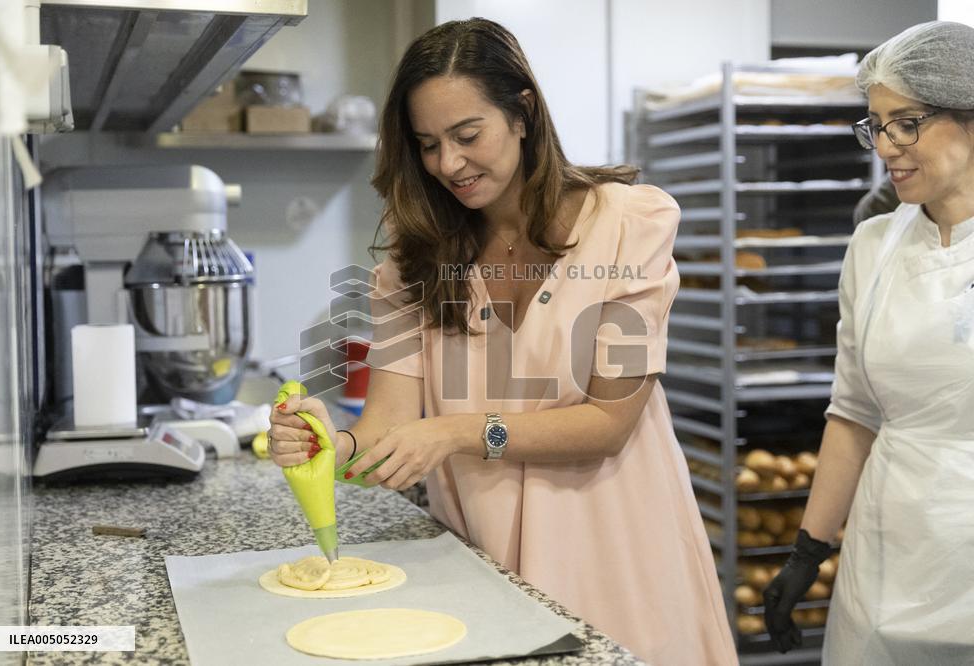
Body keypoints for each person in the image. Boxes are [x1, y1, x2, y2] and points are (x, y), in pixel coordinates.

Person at [268, 17, 736, 665]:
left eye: (467, 135)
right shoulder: (415, 259)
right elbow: (387, 432)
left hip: (619, 549)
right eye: (428, 145)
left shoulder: (628, 226)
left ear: (523, 113)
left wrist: (457, 433)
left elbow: (608, 423)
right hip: (486, 557)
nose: (448, 164)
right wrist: (331, 444)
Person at [764, 21, 974, 664]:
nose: (885, 147)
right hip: (886, 556)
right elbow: (854, 412)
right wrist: (808, 550)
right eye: (875, 125)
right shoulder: (873, 246)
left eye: (905, 124)